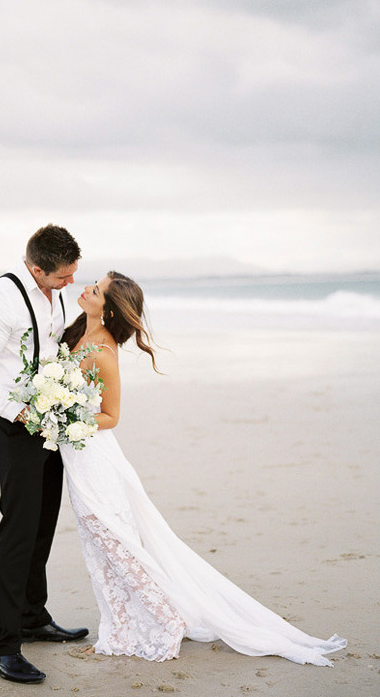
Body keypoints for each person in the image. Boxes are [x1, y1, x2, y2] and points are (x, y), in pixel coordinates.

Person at [58, 271, 347, 665]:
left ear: (108, 309)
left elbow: (111, 415)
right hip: (77, 456)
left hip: (94, 459)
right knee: (100, 547)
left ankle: (161, 620)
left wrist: (65, 418)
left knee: (115, 546)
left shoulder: (104, 352)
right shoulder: (77, 334)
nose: (86, 288)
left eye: (95, 289)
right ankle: (120, 625)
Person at [0, 224, 89, 684]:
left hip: (46, 420)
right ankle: (3, 646)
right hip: (13, 425)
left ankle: (34, 618)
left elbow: (45, 344)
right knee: (18, 529)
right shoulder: (1, 300)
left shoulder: (50, 289)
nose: (69, 284)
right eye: (61, 278)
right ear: (37, 268)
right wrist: (17, 411)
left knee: (43, 522)